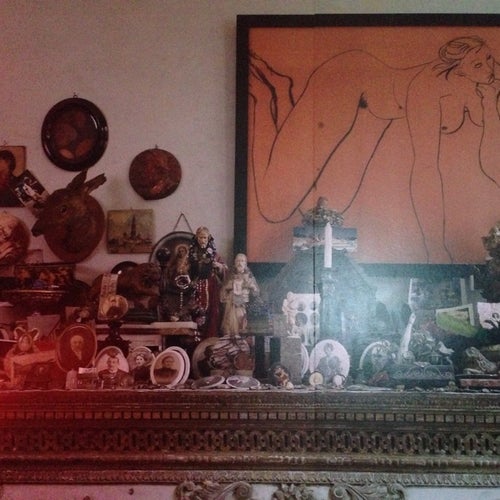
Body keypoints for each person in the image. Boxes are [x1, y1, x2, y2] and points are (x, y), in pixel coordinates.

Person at [249, 36, 500, 263]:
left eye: (489, 58)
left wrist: (489, 103)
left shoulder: (482, 82)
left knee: (327, 209)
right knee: (275, 209)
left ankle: (282, 96)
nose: (489, 68)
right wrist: (435, 248)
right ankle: (266, 94)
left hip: (376, 112)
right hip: (347, 84)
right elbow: (426, 168)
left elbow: (489, 161)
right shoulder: (426, 89)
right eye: (478, 65)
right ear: (458, 68)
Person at [188, 226, 227, 337]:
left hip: (211, 287)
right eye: (200, 238)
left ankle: (211, 337)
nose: (202, 240)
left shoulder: (214, 254)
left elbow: (225, 268)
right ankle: (196, 339)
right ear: (196, 238)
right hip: (196, 286)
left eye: (204, 238)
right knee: (196, 311)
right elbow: (186, 269)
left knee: (213, 312)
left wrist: (219, 266)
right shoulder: (192, 254)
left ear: (208, 238)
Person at [220, 253, 260, 336]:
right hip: (231, 307)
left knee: (242, 323)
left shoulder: (249, 277)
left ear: (245, 263)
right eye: (238, 261)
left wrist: (251, 287)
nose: (240, 263)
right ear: (235, 263)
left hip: (244, 307)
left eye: (242, 261)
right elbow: (222, 293)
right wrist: (229, 288)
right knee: (229, 326)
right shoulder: (230, 277)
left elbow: (256, 292)